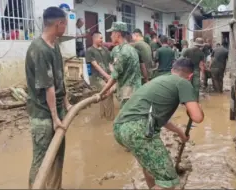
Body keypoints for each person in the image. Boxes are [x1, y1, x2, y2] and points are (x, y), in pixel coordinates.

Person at [112, 58, 204, 190]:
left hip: (120, 127)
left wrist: (180, 133)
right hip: (139, 129)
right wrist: (197, 106)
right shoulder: (184, 83)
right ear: (189, 76)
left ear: (173, 70)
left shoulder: (161, 80)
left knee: (150, 168)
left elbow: (159, 117)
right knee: (169, 182)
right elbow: (197, 117)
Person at [25, 7, 72, 189]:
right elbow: (49, 87)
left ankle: (55, 187)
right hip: (43, 114)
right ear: (58, 24)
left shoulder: (55, 44)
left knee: (58, 154)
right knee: (41, 158)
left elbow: (60, 77)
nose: (66, 28)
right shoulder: (39, 49)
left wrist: (67, 103)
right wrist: (54, 118)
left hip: (58, 109)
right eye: (65, 24)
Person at [99, 22, 142, 108]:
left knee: (126, 119)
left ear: (118, 34)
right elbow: (124, 74)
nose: (110, 36)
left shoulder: (122, 53)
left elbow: (114, 77)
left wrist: (100, 93)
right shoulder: (132, 49)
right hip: (136, 91)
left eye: (112, 33)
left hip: (128, 95)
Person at [86, 31, 114, 120]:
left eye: (102, 38)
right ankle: (109, 119)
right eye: (100, 38)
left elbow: (110, 63)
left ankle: (104, 117)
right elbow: (96, 65)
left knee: (106, 95)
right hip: (96, 78)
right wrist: (107, 76)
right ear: (94, 39)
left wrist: (113, 74)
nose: (102, 40)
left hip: (107, 76)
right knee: (107, 92)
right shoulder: (90, 51)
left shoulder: (105, 49)